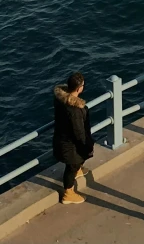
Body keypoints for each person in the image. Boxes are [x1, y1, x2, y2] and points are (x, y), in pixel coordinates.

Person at [53, 72, 94, 205]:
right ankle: (68, 193)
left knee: (75, 163)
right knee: (72, 166)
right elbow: (78, 132)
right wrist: (87, 146)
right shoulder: (75, 110)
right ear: (79, 88)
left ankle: (77, 170)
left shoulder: (60, 100)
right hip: (70, 146)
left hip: (61, 139)